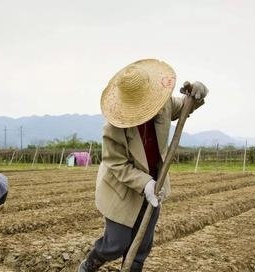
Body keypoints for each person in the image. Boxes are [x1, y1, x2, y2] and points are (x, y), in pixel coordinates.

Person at [78, 59, 208, 272]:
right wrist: (145, 183)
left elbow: (186, 106)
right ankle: (91, 262)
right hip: (122, 188)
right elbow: (116, 163)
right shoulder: (113, 127)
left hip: (155, 184)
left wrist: (196, 94)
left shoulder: (162, 104)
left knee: (141, 247)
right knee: (116, 244)